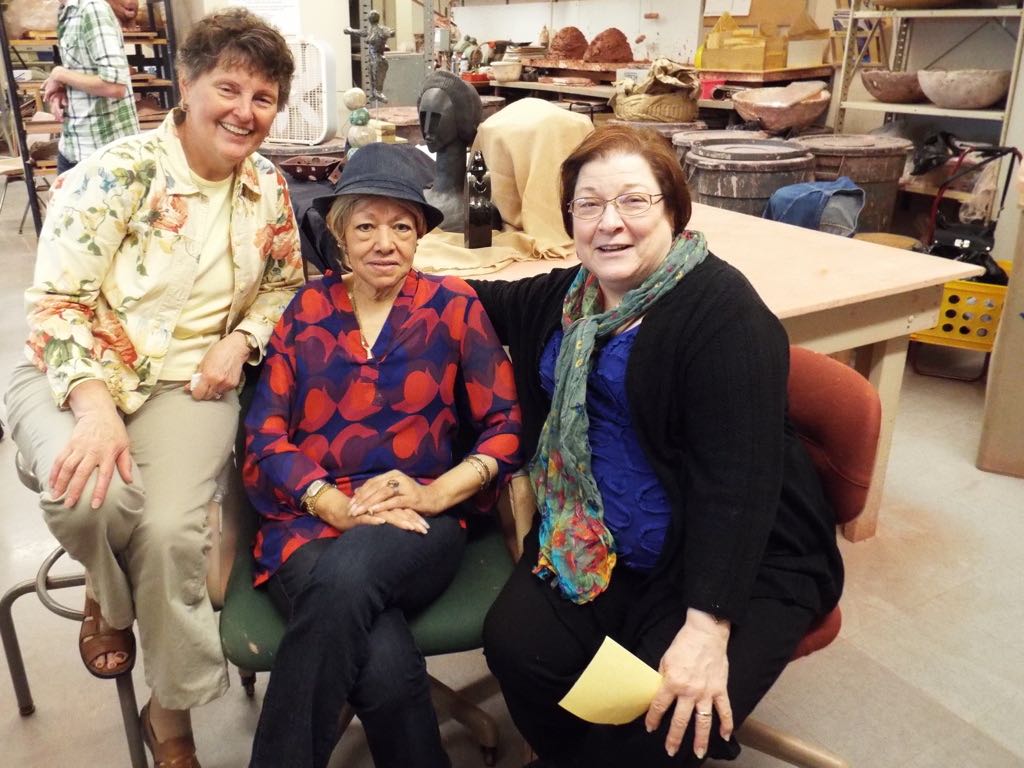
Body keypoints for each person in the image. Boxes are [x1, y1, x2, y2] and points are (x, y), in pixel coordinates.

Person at [470, 125, 844, 767]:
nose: (609, 223)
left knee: (655, 730)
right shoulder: (570, 298)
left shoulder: (725, 319)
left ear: (673, 208)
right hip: (597, 535)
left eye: (634, 201)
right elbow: (472, 300)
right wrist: (369, 268)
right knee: (516, 647)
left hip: (740, 561)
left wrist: (708, 628)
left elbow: (738, 488)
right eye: (588, 204)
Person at [4, 9, 302, 767]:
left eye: (263, 98)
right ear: (188, 86)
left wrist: (241, 341)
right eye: (228, 88)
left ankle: (169, 724)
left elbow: (282, 287)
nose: (244, 111)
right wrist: (95, 408)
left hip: (185, 386)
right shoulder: (116, 173)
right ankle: (108, 591)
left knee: (170, 537)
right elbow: (57, 304)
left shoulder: (267, 186)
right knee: (86, 497)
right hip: (67, 369)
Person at [244, 142, 522, 768]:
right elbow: (263, 437)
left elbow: (505, 425)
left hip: (418, 520)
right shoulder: (307, 308)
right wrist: (333, 505)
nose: (384, 243)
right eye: (365, 225)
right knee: (387, 664)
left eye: (401, 225)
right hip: (306, 520)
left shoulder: (453, 306)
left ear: (420, 233)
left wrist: (437, 492)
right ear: (339, 235)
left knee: (346, 576)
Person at [43, 0, 141, 174]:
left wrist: (59, 74)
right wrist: (64, 88)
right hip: (74, 146)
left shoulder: (92, 9)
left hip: (102, 156)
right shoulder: (67, 12)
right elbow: (84, 68)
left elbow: (115, 86)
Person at [417, 69, 483, 233]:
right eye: (423, 116)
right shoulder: (419, 198)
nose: (426, 129)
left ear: (462, 121)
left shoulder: (474, 211)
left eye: (435, 118)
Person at [344, 9, 394, 103]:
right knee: (372, 76)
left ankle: (378, 93)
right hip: (372, 58)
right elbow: (360, 32)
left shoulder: (381, 29)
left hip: (378, 57)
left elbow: (390, 32)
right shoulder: (370, 30)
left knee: (377, 76)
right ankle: (374, 93)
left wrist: (389, 33)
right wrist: (350, 30)